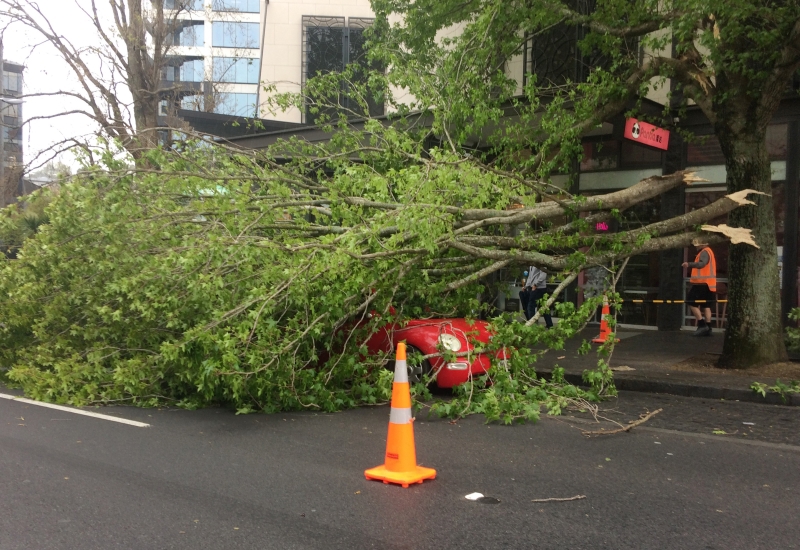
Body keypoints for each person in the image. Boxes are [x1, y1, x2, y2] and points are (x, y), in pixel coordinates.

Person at [682, 244, 717, 336]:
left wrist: (689, 264)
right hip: (709, 284)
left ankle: (702, 324)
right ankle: (708, 327)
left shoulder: (704, 252)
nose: (695, 245)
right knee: (706, 305)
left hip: (701, 283)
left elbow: (702, 264)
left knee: (690, 301)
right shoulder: (709, 251)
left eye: (697, 243)